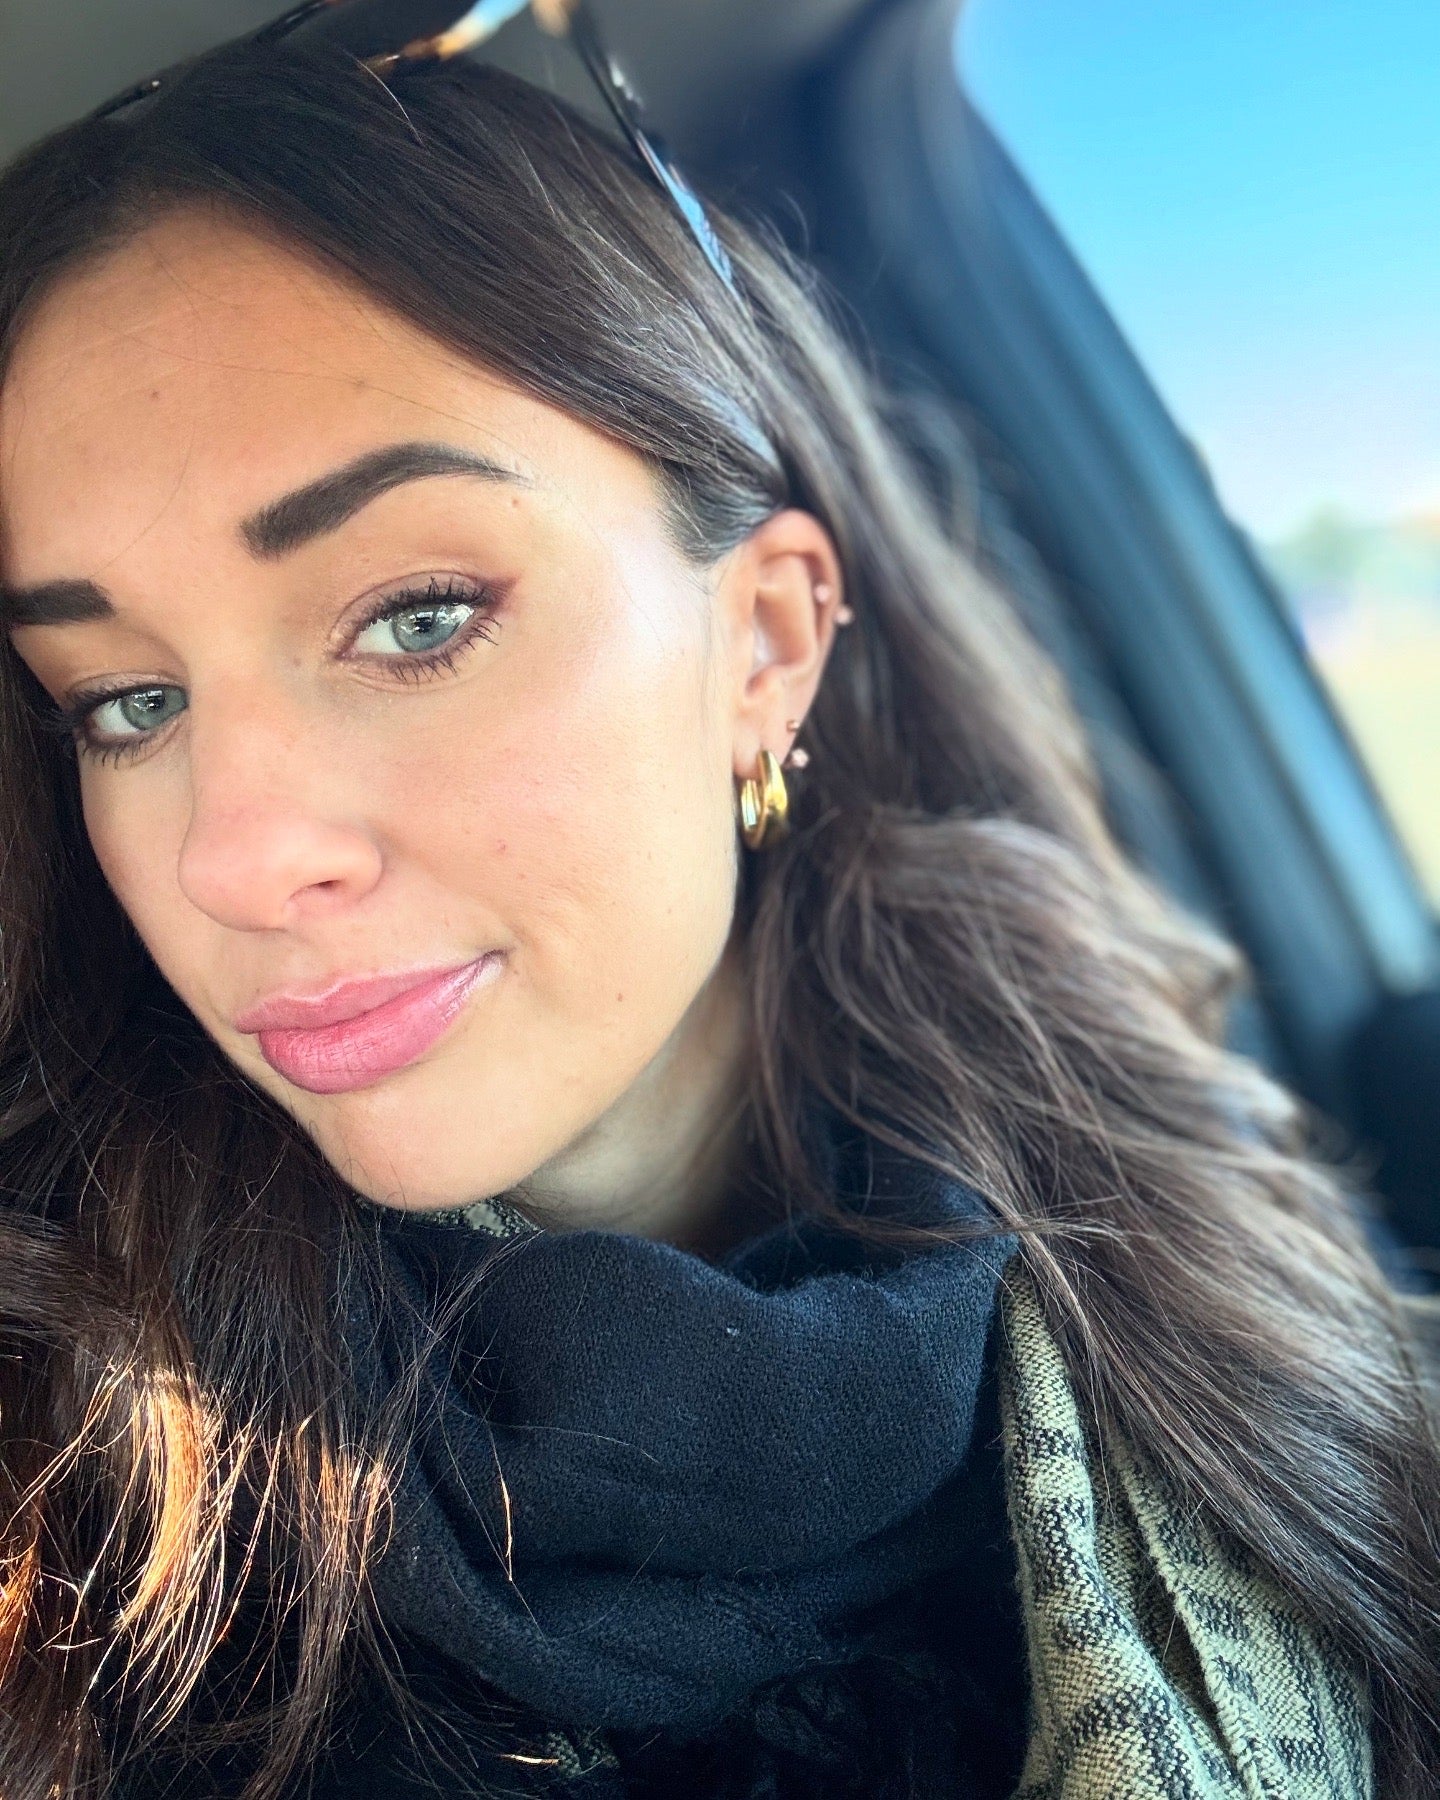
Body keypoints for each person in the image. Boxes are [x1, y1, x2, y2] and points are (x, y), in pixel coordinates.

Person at [0, 21, 1436, 1800]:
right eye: (127, 703)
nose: (230, 857)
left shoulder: (1174, 1189)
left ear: (763, 643)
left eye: (418, 617)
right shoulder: (72, 1521)